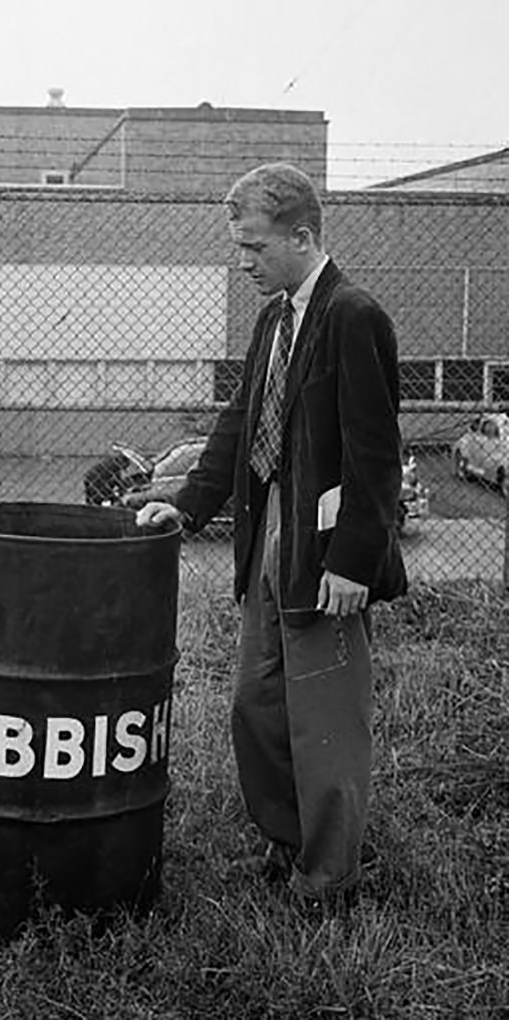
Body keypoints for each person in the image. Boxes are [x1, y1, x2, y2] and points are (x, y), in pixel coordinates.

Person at [137, 163, 407, 913]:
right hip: (266, 546)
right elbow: (238, 425)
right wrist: (187, 507)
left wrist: (353, 561)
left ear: (301, 235)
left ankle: (328, 880)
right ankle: (288, 844)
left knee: (325, 723)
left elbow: (375, 457)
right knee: (257, 707)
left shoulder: (353, 315)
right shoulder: (273, 318)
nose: (243, 261)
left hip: (323, 559)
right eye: (240, 247)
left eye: (254, 246)